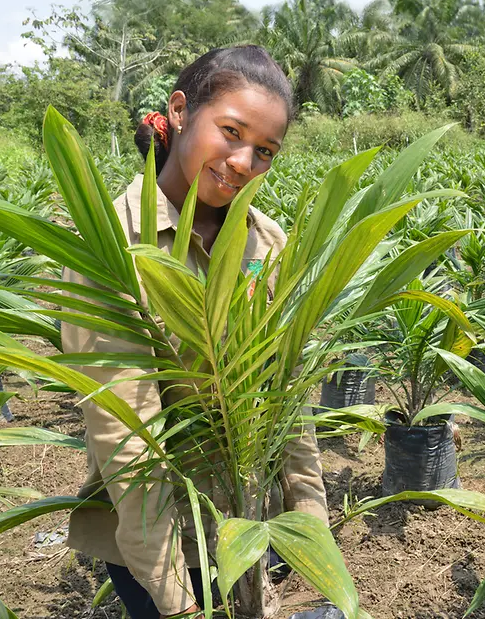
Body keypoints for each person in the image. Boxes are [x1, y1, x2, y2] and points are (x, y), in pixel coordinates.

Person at [60, 46, 329, 619]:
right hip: (159, 535)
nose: (242, 162)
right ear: (180, 110)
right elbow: (126, 437)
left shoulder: (266, 244)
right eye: (230, 131)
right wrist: (179, 602)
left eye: (264, 152)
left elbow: (287, 396)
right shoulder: (113, 247)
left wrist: (310, 528)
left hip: (246, 517)